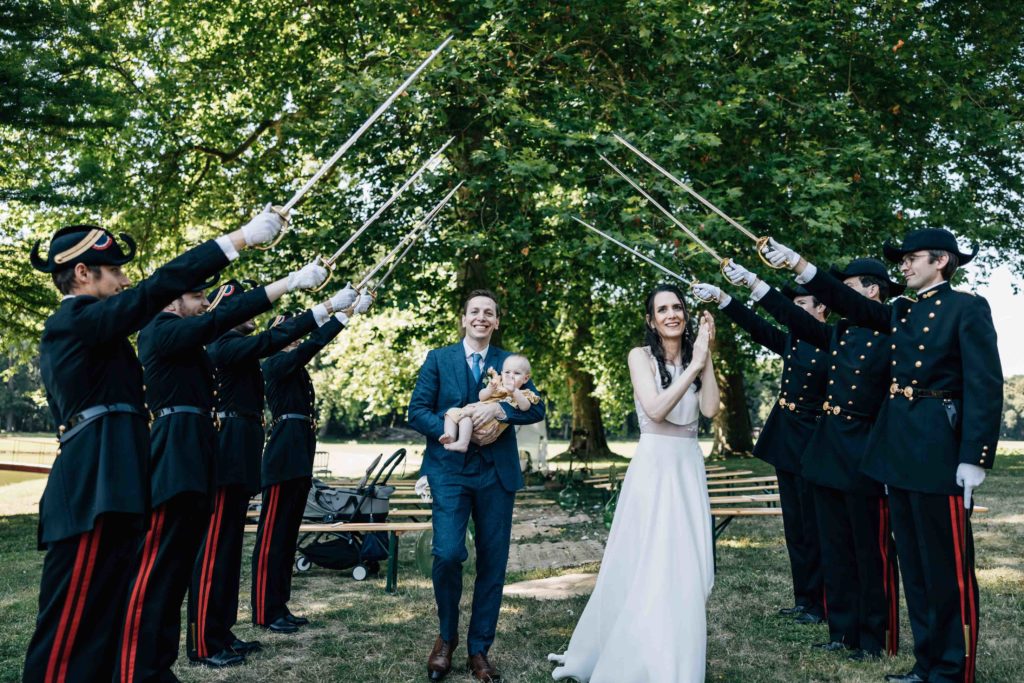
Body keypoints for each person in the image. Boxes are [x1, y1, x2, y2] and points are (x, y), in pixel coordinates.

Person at [23, 208, 284, 682]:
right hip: (92, 484)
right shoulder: (75, 320)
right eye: (115, 270)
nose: (124, 280)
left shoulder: (100, 329)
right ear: (82, 272)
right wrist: (238, 239)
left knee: (104, 616)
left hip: (116, 482)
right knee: (71, 622)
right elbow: (155, 290)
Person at [762, 229, 1002, 683]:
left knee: (945, 569)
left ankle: (954, 668)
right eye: (904, 260)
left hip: (938, 450)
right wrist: (799, 265)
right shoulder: (900, 312)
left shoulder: (966, 308)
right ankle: (926, 663)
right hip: (898, 450)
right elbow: (850, 306)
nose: (904, 267)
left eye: (913, 259)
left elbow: (985, 384)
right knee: (914, 568)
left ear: (942, 261)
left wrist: (976, 456)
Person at [113, 260, 328, 681]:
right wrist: (315, 307)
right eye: (197, 297)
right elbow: (238, 329)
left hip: (203, 453)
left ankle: (211, 636)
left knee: (212, 554)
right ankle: (195, 644)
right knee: (186, 560)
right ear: (175, 299)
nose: (204, 306)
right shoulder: (168, 331)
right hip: (181, 455)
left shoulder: (193, 339)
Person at [698, 258, 902, 661]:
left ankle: (874, 637)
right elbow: (791, 322)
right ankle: (842, 631)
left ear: (872, 290)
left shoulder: (895, 330)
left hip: (863, 454)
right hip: (826, 452)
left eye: (845, 288)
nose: (836, 296)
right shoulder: (840, 333)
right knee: (834, 547)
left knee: (869, 551)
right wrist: (750, 287)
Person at [548, 283, 719, 682]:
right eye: (662, 309)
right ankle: (643, 656)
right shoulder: (639, 357)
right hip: (655, 467)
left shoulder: (697, 356)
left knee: (689, 565)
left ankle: (678, 650)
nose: (672, 314)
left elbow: (709, 409)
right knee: (650, 563)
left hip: (687, 467)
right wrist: (693, 366)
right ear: (651, 319)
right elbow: (657, 410)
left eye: (678, 307)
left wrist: (705, 357)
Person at [187, 280, 358, 665]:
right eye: (242, 308)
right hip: (227, 455)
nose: (252, 315)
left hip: (242, 455)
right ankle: (204, 642)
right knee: (215, 553)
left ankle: (221, 632)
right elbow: (277, 344)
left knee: (228, 554)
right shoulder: (223, 344)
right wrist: (333, 313)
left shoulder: (239, 348)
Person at [408, 289, 546, 682]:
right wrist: (448, 433)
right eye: (475, 311)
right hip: (449, 469)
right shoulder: (439, 359)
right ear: (464, 318)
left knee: (493, 561)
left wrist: (495, 409)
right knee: (448, 553)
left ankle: (479, 649)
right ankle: (446, 638)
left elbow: (536, 406)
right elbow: (416, 410)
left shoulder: (510, 362)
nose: (481, 317)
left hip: (495, 474)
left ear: (496, 321)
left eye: (489, 312)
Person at [250, 291, 373, 634]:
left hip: (299, 456)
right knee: (272, 538)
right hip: (280, 461)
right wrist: (342, 316)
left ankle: (279, 605)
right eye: (287, 329)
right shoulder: (273, 362)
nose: (296, 335)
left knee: (287, 537)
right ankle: (263, 609)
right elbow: (309, 347)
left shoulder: (295, 367)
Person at [715, 281, 829, 624]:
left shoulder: (834, 340)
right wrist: (725, 301)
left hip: (815, 442)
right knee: (795, 526)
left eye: (802, 304)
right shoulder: (795, 339)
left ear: (822, 307)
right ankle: (803, 598)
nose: (795, 312)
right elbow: (759, 327)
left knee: (815, 527)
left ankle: (819, 603)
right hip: (786, 440)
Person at [440, 354, 541, 452]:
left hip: (490, 423)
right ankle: (450, 436)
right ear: (502, 374)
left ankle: (462, 442)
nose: (511, 376)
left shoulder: (524, 393)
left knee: (466, 416)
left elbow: (525, 407)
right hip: (476, 413)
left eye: (517, 373)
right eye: (507, 372)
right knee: (451, 412)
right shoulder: (497, 386)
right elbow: (481, 397)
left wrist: (515, 391)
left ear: (526, 378)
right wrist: (489, 389)